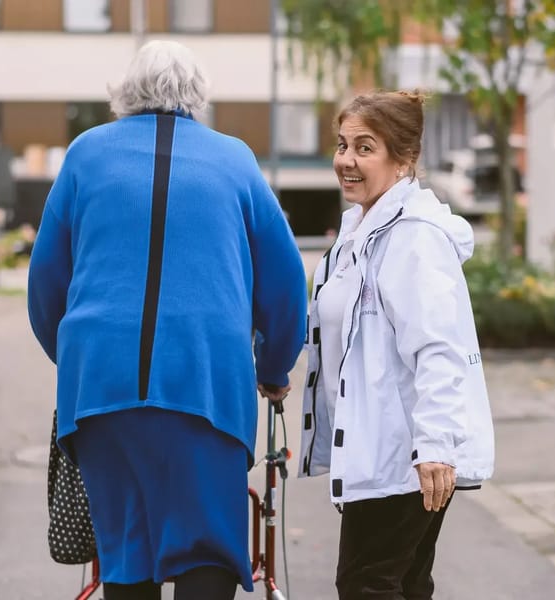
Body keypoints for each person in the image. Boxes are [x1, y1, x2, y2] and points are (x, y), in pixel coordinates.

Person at [28, 40, 307, 600]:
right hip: (206, 387)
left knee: (127, 552)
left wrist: (80, 359)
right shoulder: (235, 160)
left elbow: (45, 285)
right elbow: (284, 285)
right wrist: (273, 369)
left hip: (102, 390)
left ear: (125, 91)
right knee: (208, 548)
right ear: (198, 95)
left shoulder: (85, 155)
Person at [297, 90, 495, 599]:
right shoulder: (362, 228)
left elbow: (438, 348)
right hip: (381, 446)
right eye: (343, 145)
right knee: (403, 584)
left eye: (365, 147)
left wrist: (433, 447)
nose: (346, 160)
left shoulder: (413, 238)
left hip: (403, 452)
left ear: (404, 158)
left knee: (367, 584)